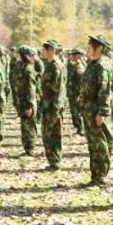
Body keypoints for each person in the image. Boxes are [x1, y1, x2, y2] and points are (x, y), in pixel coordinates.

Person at [80, 35, 113, 186]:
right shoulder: (92, 64)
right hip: (89, 110)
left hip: (97, 111)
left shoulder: (102, 66)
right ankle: (95, 176)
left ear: (100, 48)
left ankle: (100, 176)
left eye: (91, 45)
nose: (88, 48)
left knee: (101, 144)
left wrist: (102, 112)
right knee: (93, 144)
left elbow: (105, 91)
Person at [40, 40, 67, 171]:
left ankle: (56, 162)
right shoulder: (49, 64)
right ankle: (52, 161)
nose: (42, 52)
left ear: (50, 50)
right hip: (47, 105)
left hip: (53, 107)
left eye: (43, 49)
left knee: (54, 135)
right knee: (47, 134)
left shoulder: (56, 66)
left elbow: (59, 90)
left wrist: (56, 110)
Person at [65, 48, 86, 136]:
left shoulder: (77, 66)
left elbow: (71, 79)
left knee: (75, 110)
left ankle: (80, 128)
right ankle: (80, 127)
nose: (71, 56)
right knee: (77, 110)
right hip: (76, 91)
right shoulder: (80, 65)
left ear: (78, 55)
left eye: (73, 54)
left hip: (75, 92)